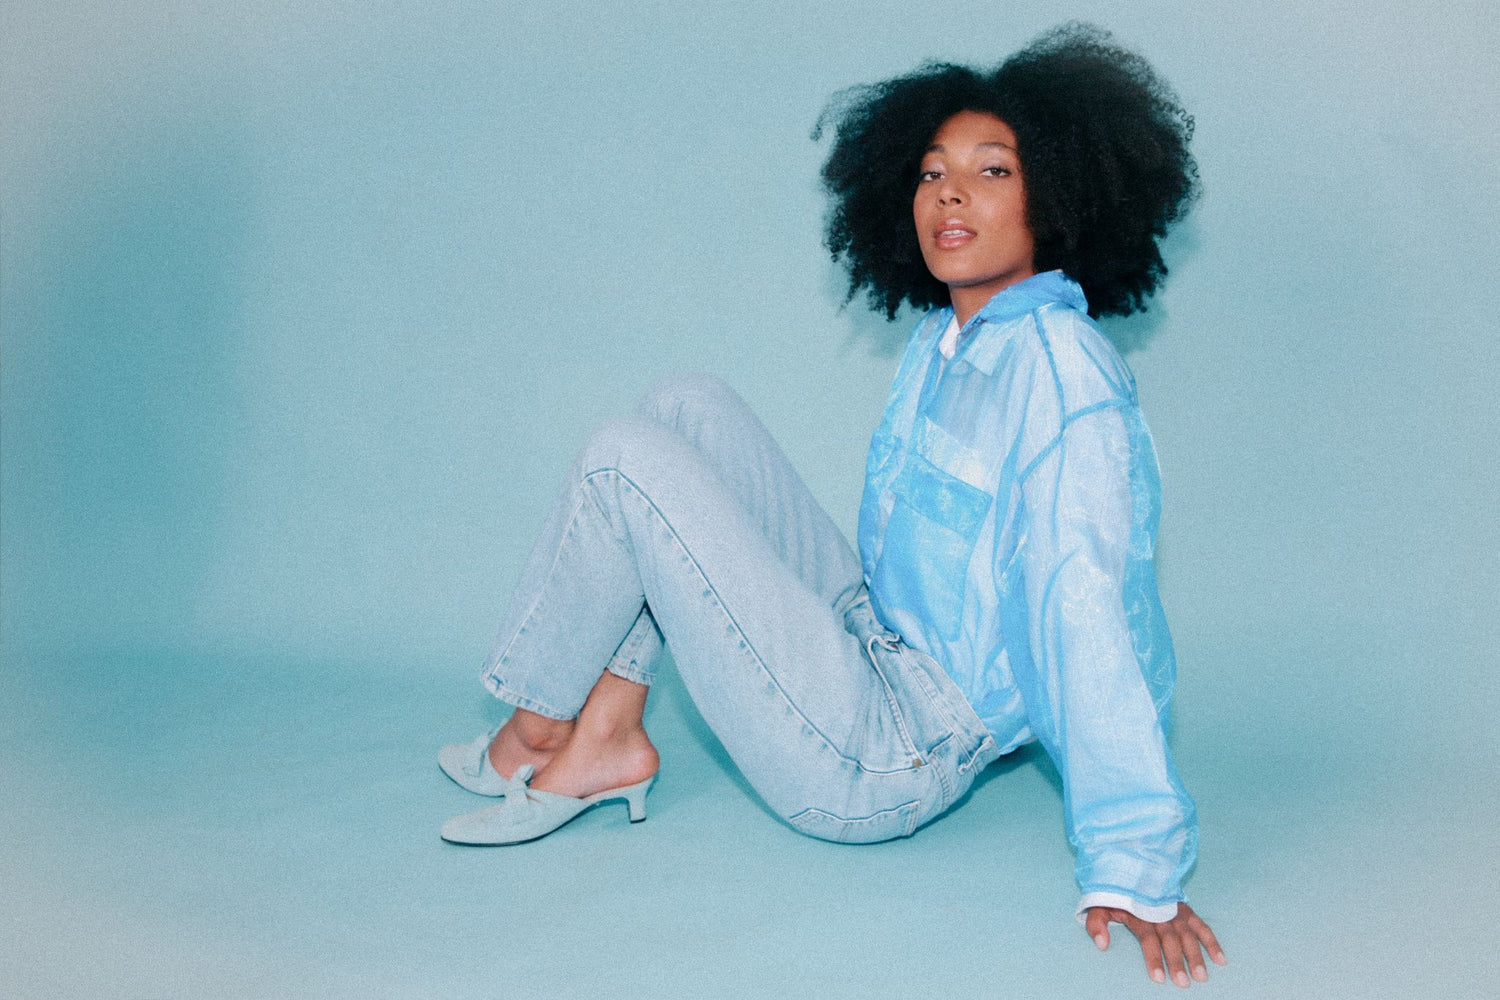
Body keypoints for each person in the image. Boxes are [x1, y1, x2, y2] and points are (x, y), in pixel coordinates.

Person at [438, 23, 1226, 987]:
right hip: (871, 642)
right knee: (685, 407)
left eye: (992, 171)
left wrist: (1135, 864)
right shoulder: (948, 339)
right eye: (932, 172)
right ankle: (605, 736)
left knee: (621, 462)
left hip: (890, 753)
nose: (950, 194)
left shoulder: (1061, 371)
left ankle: (540, 727)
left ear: (1059, 199)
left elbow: (1085, 607)